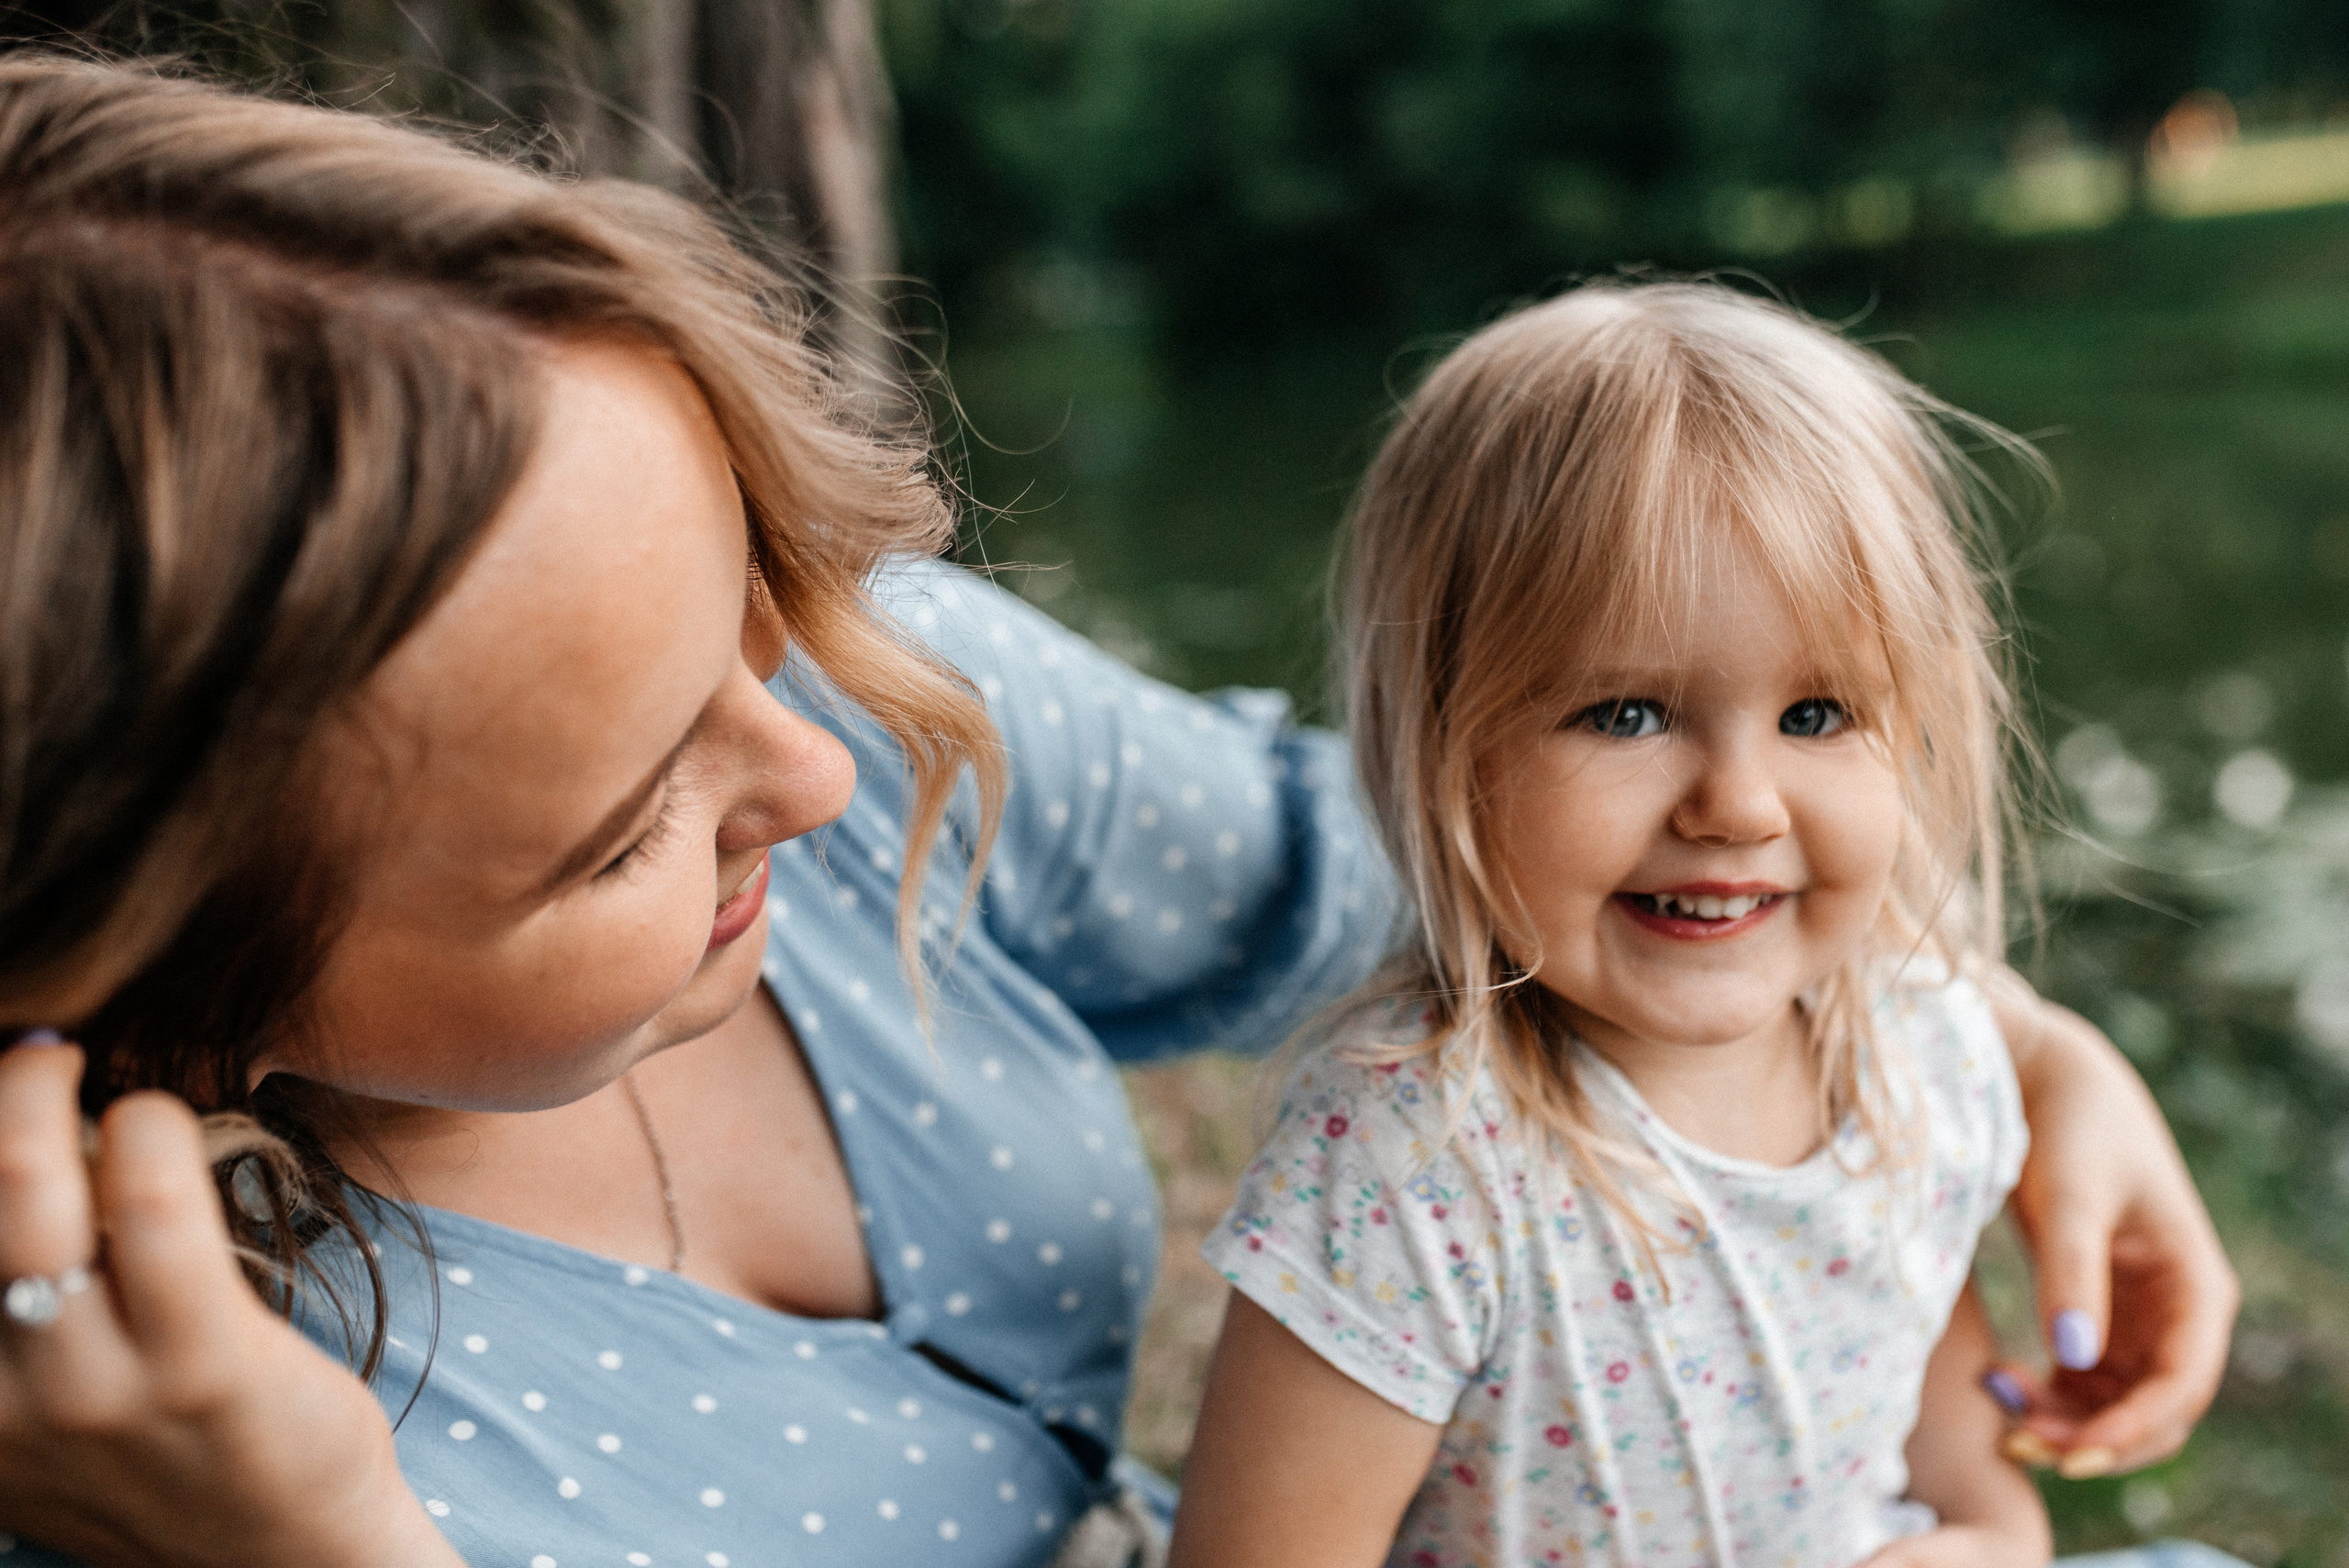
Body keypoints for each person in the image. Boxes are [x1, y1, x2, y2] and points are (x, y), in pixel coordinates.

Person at [0, 59, 2234, 1568]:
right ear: (157, 990)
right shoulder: (180, 1458)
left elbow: (1511, 849)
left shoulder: (875, 711)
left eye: (759, 620)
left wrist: (2018, 1048)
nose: (813, 767)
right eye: (614, 827)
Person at [1173, 284, 2245, 1568]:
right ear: (1438, 747)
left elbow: (1978, 1492)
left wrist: (1973, 1550)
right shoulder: (1411, 1160)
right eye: (1625, 713)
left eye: (1817, 715)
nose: (1737, 806)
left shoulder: (1910, 1063)